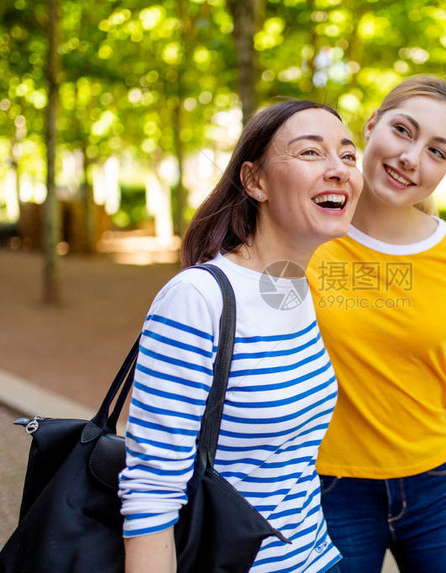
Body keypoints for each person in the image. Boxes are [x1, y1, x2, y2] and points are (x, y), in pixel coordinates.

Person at [119, 100, 363, 573]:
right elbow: (151, 492)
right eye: (311, 153)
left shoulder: (296, 286)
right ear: (255, 181)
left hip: (320, 559)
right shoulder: (196, 299)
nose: (339, 169)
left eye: (348, 155)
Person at [308, 75, 446, 572]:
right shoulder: (301, 238)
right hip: (325, 489)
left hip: (438, 486)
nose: (412, 157)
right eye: (403, 131)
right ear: (370, 126)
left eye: (437, 151)